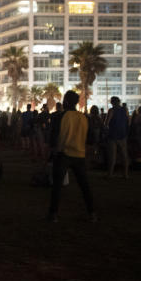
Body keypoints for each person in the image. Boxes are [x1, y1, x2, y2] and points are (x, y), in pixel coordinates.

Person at [48, 90, 96, 222]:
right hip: (79, 154)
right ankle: (92, 213)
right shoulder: (84, 117)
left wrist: (52, 149)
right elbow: (91, 139)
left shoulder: (59, 117)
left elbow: (53, 137)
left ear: (66, 102)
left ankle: (54, 214)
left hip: (63, 153)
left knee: (57, 186)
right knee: (84, 186)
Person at [104, 96, 130, 178]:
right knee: (124, 156)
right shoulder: (124, 109)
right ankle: (125, 174)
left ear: (112, 102)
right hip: (122, 135)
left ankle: (110, 174)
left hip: (112, 135)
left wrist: (105, 130)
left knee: (112, 156)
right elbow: (128, 121)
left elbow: (106, 123)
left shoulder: (111, 110)